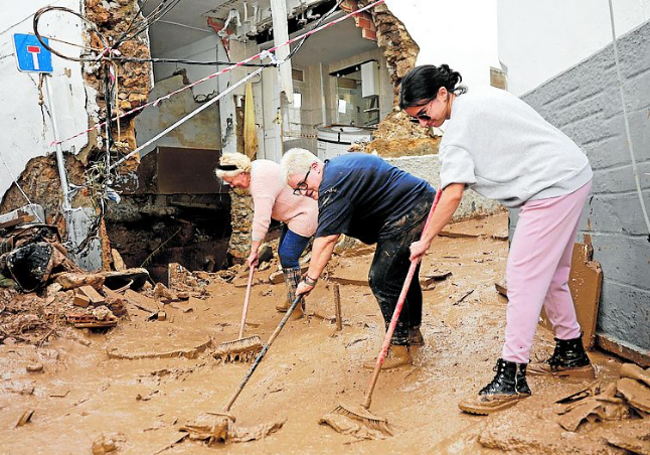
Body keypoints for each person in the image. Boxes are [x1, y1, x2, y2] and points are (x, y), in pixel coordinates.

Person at [399, 64, 595, 415]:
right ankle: (571, 354)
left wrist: (424, 240)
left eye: (425, 114)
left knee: (521, 278)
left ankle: (512, 376)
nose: (424, 124)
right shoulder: (478, 98)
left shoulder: (457, 131)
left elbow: (453, 194)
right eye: (417, 120)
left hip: (549, 188)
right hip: (571, 175)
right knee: (551, 276)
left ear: (443, 94)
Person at [280, 149, 435, 369]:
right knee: (400, 275)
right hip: (416, 203)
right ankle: (412, 335)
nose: (303, 192)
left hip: (411, 209)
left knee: (381, 278)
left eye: (302, 185)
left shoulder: (333, 183)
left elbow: (326, 239)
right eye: (297, 190)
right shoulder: (337, 172)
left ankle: (399, 350)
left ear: (314, 168)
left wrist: (310, 280)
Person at [215, 152, 318, 319]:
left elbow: (262, 219)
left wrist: (254, 251)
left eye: (231, 181)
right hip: (293, 214)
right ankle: (292, 297)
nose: (232, 186)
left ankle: (296, 306)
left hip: (305, 213)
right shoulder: (257, 167)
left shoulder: (259, 181)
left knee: (288, 256)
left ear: (241, 173)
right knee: (284, 254)